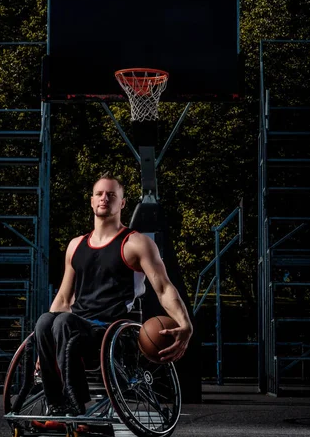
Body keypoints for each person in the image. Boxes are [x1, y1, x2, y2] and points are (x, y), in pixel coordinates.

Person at [34, 172, 193, 417]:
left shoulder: (136, 243)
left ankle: (75, 405)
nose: (104, 199)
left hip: (112, 331)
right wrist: (45, 347)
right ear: (91, 201)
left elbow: (163, 288)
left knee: (63, 322)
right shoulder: (76, 245)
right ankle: (56, 404)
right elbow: (65, 300)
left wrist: (185, 325)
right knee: (45, 320)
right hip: (75, 328)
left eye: (111, 195)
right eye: (99, 194)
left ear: (122, 203)